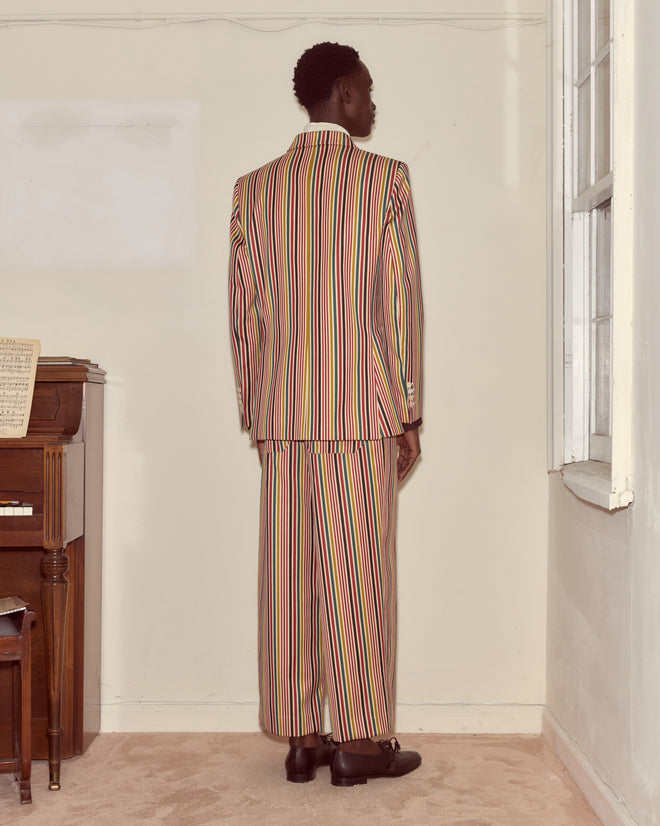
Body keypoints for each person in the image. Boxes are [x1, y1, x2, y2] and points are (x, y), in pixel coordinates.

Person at [229, 41, 424, 787]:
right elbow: (398, 303)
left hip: (283, 415)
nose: (373, 104)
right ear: (341, 93)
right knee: (360, 576)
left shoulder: (255, 189)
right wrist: (408, 411)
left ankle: (302, 736)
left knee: (289, 577)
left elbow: (243, 317)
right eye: (367, 91)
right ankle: (362, 742)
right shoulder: (384, 182)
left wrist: (258, 410)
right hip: (362, 412)